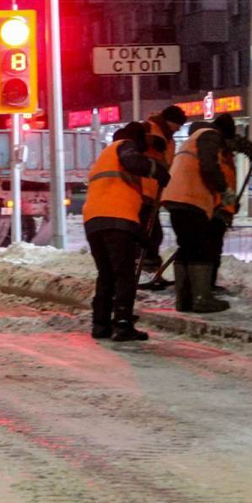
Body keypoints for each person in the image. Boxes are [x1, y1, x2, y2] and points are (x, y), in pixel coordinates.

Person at [83, 121, 171, 341]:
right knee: (124, 275)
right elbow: (133, 161)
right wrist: (155, 169)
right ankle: (122, 324)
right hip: (116, 219)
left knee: (106, 274)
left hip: (94, 221)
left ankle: (100, 324)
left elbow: (125, 193)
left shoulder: (105, 157)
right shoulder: (125, 146)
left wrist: (140, 234)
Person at [162, 114, 236, 313]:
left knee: (186, 248)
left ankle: (184, 300)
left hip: (176, 198)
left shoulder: (192, 139)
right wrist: (224, 190)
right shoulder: (210, 135)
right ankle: (202, 298)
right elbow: (209, 165)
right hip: (191, 198)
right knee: (200, 249)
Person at [137, 105, 187, 290]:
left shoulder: (170, 140)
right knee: (149, 234)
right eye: (178, 125)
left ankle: (150, 273)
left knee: (153, 234)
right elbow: (136, 143)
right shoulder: (149, 128)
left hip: (155, 193)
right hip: (141, 192)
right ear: (169, 121)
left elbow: (167, 166)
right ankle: (143, 273)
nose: (179, 129)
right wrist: (150, 140)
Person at [210, 124, 252, 292]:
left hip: (221, 207)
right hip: (213, 207)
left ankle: (206, 283)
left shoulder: (222, 150)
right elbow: (218, 182)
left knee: (213, 248)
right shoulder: (213, 149)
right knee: (208, 248)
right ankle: (203, 286)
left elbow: (238, 144)